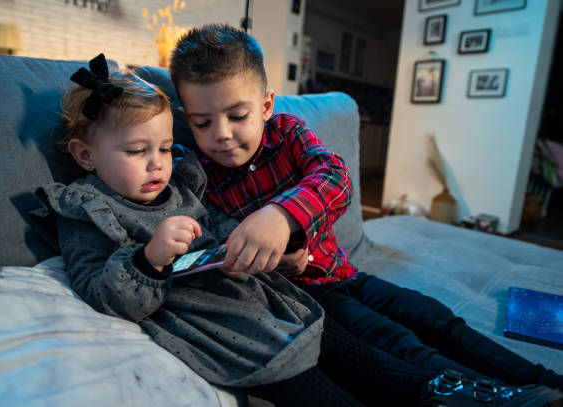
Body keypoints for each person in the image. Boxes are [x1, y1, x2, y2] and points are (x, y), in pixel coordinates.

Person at [168, 24, 563, 406]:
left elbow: (334, 177)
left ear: (267, 105)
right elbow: (216, 256)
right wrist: (266, 261)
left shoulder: (288, 134)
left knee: (439, 320)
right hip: (312, 297)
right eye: (204, 122)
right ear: (188, 119)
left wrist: (282, 214)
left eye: (238, 116)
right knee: (399, 344)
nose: (221, 133)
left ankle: (543, 383)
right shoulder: (200, 178)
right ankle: (493, 398)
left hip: (347, 273)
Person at [33, 53, 376, 407]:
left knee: (369, 361)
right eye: (137, 151)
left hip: (276, 301)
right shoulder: (85, 211)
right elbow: (100, 295)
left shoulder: (182, 184)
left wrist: (255, 247)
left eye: (165, 148)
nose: (157, 164)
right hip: (227, 332)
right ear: (86, 156)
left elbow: (219, 225)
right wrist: (149, 259)